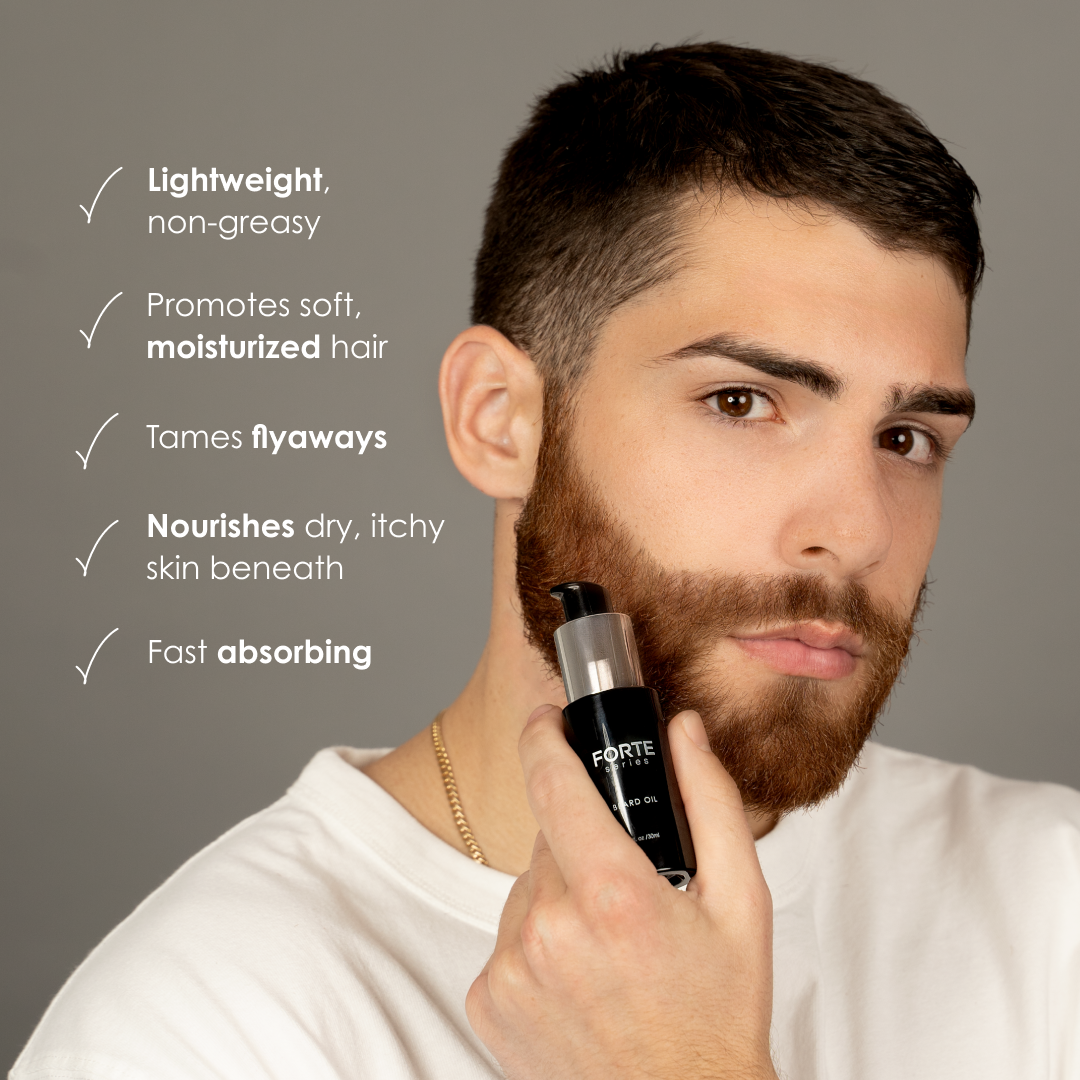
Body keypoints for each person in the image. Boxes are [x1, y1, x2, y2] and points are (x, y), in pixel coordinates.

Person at [12, 42, 1079, 1080]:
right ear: (499, 421)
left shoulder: (1051, 897)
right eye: (740, 402)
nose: (856, 532)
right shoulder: (192, 1033)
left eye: (908, 439)